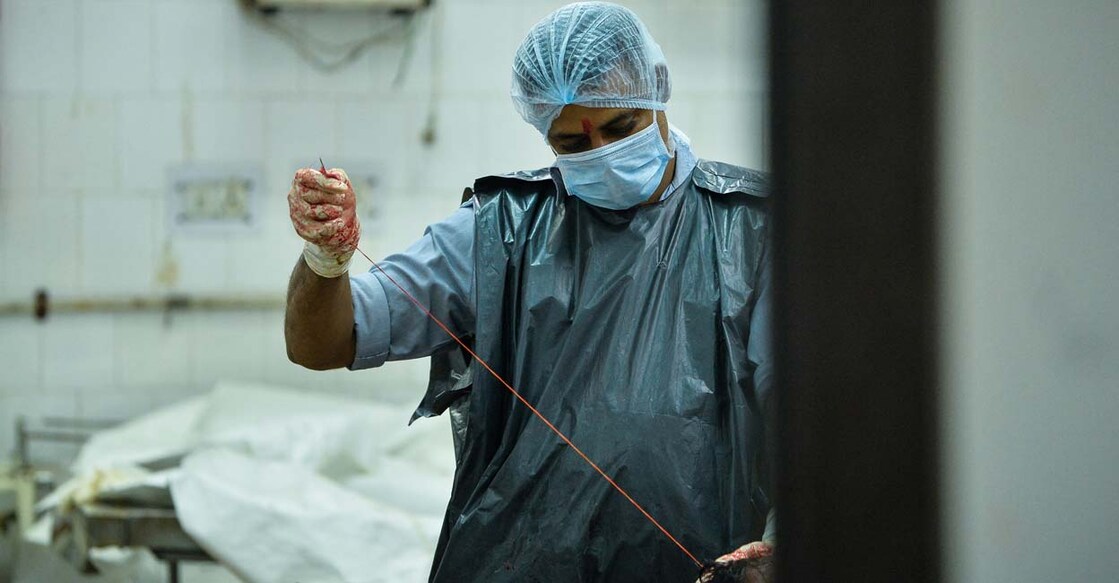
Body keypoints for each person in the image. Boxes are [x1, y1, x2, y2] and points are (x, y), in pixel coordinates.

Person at [284, 3, 775, 582]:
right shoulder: (502, 230)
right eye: (572, 143)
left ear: (657, 93)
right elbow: (323, 344)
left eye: (620, 129)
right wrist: (325, 259)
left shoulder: (749, 230)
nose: (602, 154)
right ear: (544, 132)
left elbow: (814, 415)